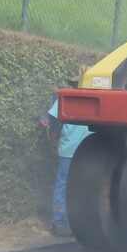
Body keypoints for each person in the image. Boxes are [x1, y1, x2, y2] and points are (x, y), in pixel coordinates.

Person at [38, 97, 92, 236]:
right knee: (65, 186)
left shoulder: (70, 97)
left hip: (85, 151)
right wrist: (45, 120)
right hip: (76, 150)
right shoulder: (68, 97)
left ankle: (75, 222)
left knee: (78, 186)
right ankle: (60, 223)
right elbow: (50, 115)